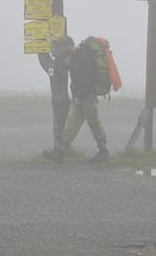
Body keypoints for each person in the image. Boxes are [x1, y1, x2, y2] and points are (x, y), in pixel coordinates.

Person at [43, 36, 109, 164]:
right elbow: (78, 76)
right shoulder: (74, 58)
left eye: (62, 47)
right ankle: (60, 151)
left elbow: (86, 78)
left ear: (69, 45)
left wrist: (79, 96)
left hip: (86, 97)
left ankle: (104, 151)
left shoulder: (81, 56)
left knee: (94, 123)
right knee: (71, 124)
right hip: (79, 98)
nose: (61, 51)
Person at [38, 44, 71, 151]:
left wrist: (41, 45)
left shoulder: (51, 65)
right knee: (63, 124)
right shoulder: (64, 64)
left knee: (59, 124)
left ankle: (59, 146)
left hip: (57, 100)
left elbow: (44, 59)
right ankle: (62, 147)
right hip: (63, 100)